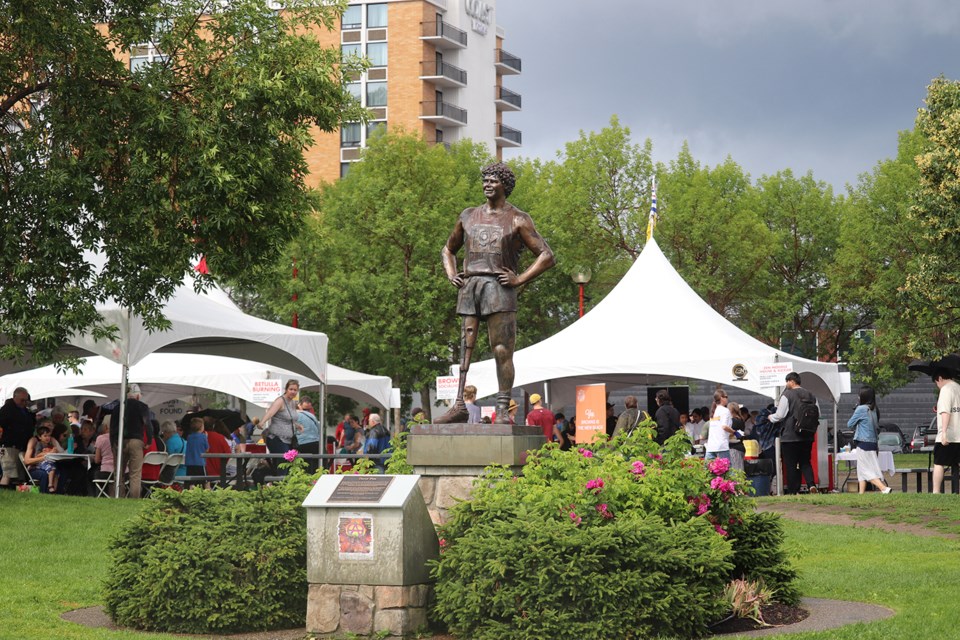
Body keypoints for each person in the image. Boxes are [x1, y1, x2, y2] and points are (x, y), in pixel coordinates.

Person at [435, 162, 556, 423]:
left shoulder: (517, 218)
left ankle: (502, 408)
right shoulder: (467, 215)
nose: (487, 185)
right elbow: (448, 249)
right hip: (471, 286)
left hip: (499, 288)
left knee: (501, 349)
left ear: (505, 186)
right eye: (485, 180)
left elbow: (546, 255)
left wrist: (519, 279)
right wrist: (451, 274)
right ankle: (459, 404)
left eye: (493, 181)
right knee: (465, 347)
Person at [769, 372, 818, 494]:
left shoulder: (787, 394)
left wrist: (770, 417)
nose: (786, 384)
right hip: (807, 435)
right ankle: (811, 485)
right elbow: (818, 414)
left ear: (791, 381)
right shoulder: (811, 395)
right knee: (805, 462)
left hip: (790, 436)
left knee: (791, 464)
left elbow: (780, 415)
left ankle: (793, 490)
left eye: (787, 381)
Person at [110, 383, 153, 498]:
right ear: (138, 396)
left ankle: (119, 498)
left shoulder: (118, 407)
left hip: (119, 441)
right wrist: (149, 440)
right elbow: (148, 424)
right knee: (135, 473)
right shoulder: (142, 406)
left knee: (119, 473)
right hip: (136, 441)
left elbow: (112, 427)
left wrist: (112, 444)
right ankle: (134, 500)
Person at [848, 386, 892, 494]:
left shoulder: (861, 409)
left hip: (863, 443)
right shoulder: (874, 409)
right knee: (861, 468)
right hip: (873, 443)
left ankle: (883, 488)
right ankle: (861, 494)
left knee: (866, 470)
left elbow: (849, 424)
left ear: (863, 397)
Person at [931, 368, 960, 494]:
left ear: (940, 378)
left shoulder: (945, 389)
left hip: (949, 435)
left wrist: (943, 434)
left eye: (936, 383)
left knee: (939, 463)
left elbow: (945, 412)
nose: (937, 386)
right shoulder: (958, 387)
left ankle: (936, 492)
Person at [0, 387, 35, 487]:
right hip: (9, 445)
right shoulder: (7, 409)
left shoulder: (26, 410)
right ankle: (3, 491)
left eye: (26, 400)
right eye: (22, 400)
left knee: (19, 474)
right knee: (8, 472)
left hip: (21, 445)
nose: (24, 403)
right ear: (15, 397)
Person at [259, 379, 301, 457]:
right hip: (276, 439)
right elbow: (270, 412)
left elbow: (290, 418)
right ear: (286, 390)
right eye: (291, 389)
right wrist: (262, 422)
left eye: (295, 390)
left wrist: (297, 425)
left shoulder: (292, 402)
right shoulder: (280, 401)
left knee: (289, 466)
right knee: (283, 465)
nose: (293, 392)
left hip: (289, 440)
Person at [24, 425, 64, 493]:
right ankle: (44, 492)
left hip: (46, 465)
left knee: (57, 471)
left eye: (49, 436)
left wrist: (54, 451)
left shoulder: (50, 445)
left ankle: (54, 491)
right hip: (36, 467)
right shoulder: (39, 444)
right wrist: (48, 453)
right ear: (39, 437)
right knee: (45, 473)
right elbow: (37, 455)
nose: (47, 438)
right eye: (45, 436)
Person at [705, 389, 735, 461]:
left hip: (711, 446)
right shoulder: (725, 410)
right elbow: (724, 426)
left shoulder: (714, 411)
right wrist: (734, 432)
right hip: (722, 446)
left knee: (708, 469)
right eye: (726, 397)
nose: (727, 398)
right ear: (721, 398)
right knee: (726, 468)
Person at [296, 398, 322, 473]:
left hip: (303, 443)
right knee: (315, 466)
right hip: (316, 442)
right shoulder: (312, 416)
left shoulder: (296, 415)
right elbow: (319, 428)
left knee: (305, 466)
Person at [93, 417, 115, 496]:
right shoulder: (120, 438)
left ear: (105, 426)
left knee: (92, 473)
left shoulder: (100, 438)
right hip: (121, 472)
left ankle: (97, 495)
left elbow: (97, 460)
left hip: (106, 471)